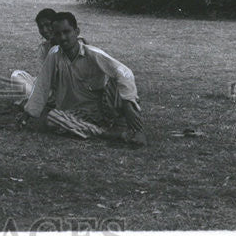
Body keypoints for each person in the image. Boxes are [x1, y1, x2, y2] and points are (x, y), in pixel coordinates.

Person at [22, 11, 147, 147]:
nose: (63, 38)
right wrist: (27, 114)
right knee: (52, 118)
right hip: (75, 113)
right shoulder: (54, 55)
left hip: (102, 110)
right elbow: (42, 85)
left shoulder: (92, 53)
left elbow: (125, 73)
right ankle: (105, 134)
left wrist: (128, 104)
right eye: (58, 34)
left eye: (67, 32)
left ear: (76, 32)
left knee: (119, 80)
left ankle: (136, 130)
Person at [9, 8, 59, 106]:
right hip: (49, 89)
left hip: (67, 89)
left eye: (48, 25)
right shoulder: (43, 48)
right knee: (17, 76)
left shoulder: (69, 43)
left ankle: (33, 102)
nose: (44, 30)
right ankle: (36, 102)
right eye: (41, 27)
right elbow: (43, 76)